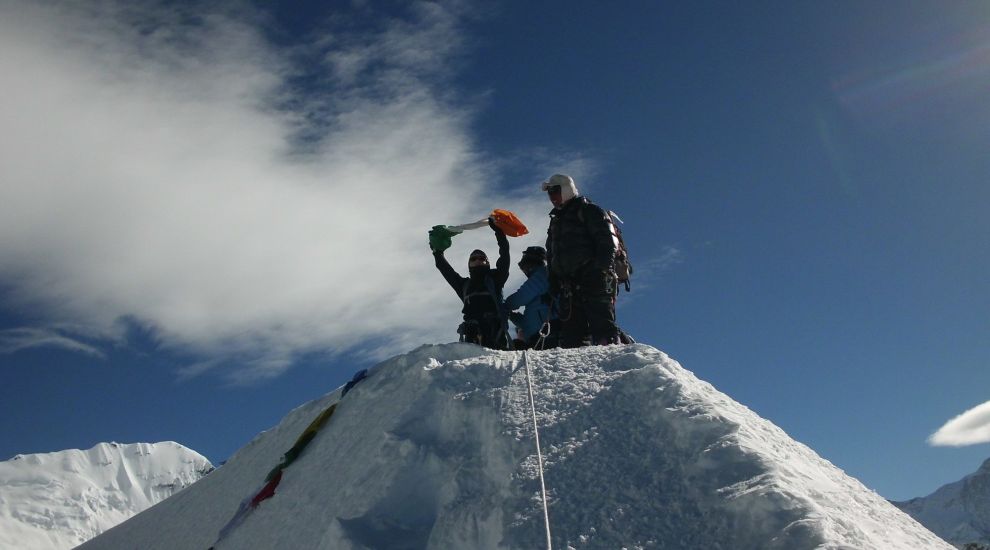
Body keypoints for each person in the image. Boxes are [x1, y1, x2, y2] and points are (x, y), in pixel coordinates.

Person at [542, 174, 620, 347]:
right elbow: (551, 254)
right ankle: (577, 371)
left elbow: (608, 241)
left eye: (555, 191)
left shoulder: (589, 210)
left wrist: (600, 271)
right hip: (568, 285)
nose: (552, 196)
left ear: (566, 189)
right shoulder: (556, 221)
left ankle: (613, 362)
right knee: (572, 336)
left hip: (593, 279)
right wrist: (553, 280)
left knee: (603, 328)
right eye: (549, 193)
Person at [432, 219, 512, 349]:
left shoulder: (496, 278)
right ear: (469, 264)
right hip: (472, 335)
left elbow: (505, 254)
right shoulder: (464, 285)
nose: (478, 260)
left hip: (495, 333)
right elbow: (445, 270)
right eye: (474, 258)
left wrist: (499, 232)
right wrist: (438, 253)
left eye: (482, 258)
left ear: (487, 262)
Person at [504, 246, 558, 349]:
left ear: (531, 263)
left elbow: (519, 298)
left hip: (549, 335)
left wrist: (503, 306)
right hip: (538, 336)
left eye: (524, 267)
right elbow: (529, 322)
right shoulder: (541, 278)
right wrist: (511, 316)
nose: (524, 271)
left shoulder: (543, 274)